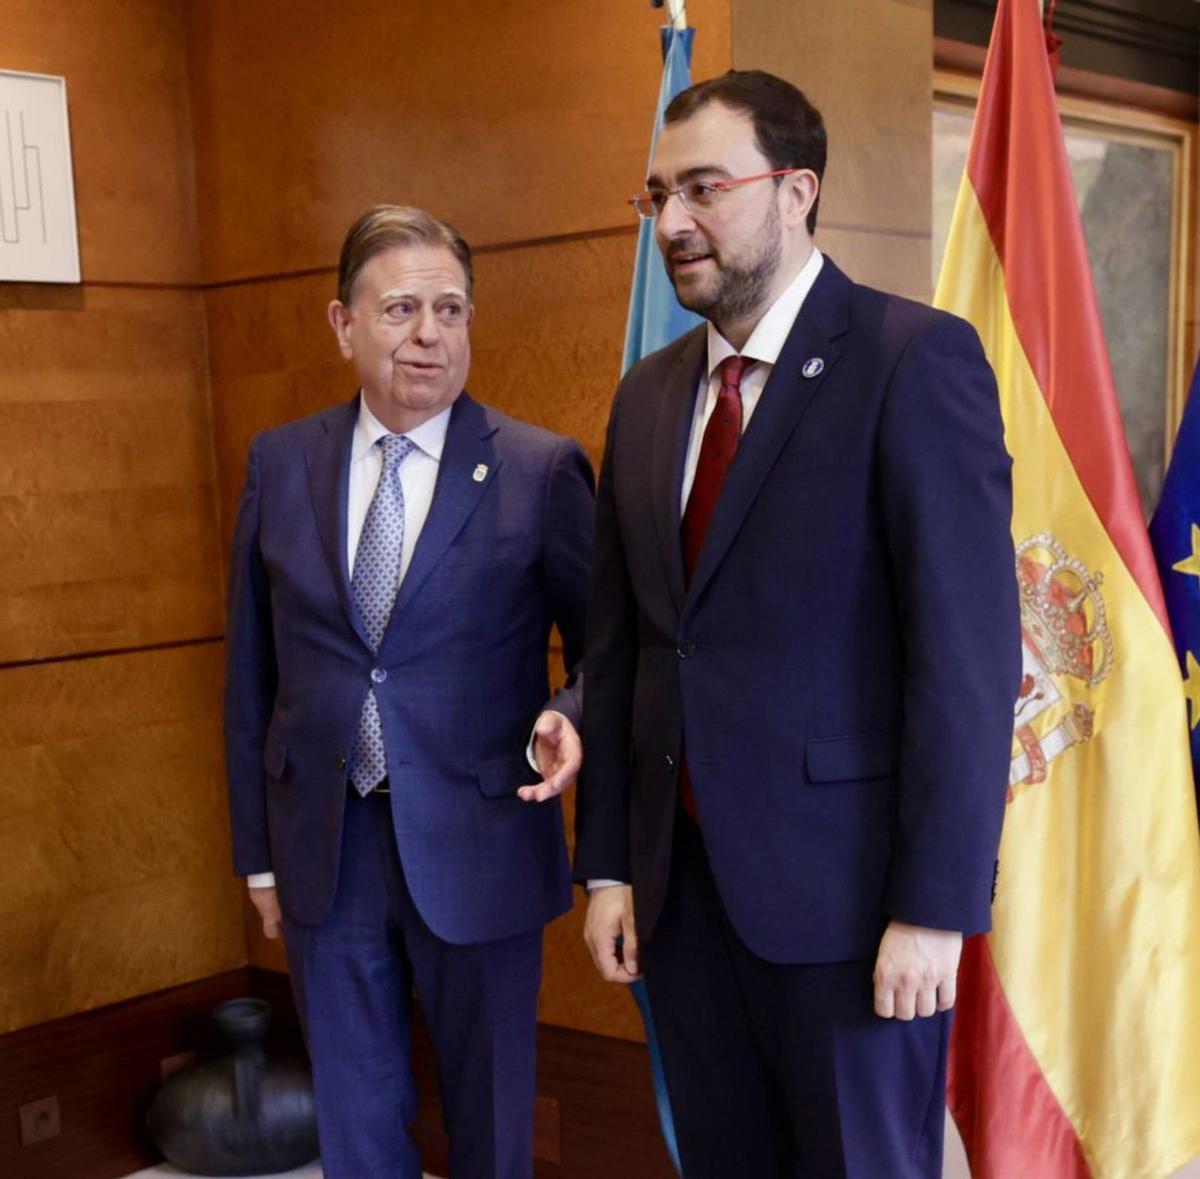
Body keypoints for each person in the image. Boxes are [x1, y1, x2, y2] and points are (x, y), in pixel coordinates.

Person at [575, 71, 1021, 1177]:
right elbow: (623, 647)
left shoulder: (913, 361)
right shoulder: (646, 396)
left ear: (796, 190)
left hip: (852, 914)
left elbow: (965, 664)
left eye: (703, 189)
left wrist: (935, 908)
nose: (673, 222)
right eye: (657, 195)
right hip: (681, 907)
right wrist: (610, 869)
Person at [223, 205, 593, 1179]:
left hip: (482, 839)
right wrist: (257, 856)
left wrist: (571, 714)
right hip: (325, 850)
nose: (429, 333)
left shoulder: (536, 469)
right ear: (342, 325)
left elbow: (614, 653)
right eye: (400, 310)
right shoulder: (280, 463)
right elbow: (250, 674)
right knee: (356, 1119)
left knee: (492, 1120)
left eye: (450, 309)